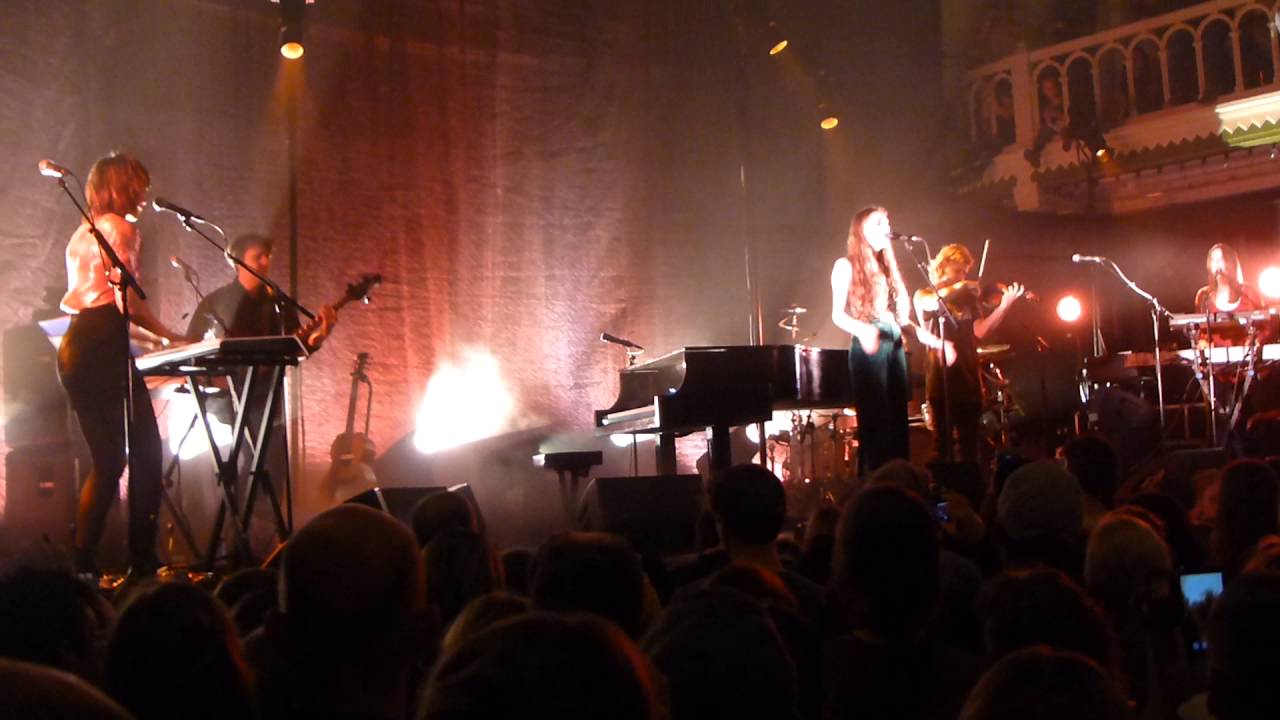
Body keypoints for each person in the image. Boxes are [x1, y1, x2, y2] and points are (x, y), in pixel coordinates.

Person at [57, 152, 183, 578]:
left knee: (108, 461)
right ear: (120, 188)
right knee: (148, 451)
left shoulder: (82, 233)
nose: (144, 196)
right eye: (138, 186)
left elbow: (106, 311)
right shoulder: (120, 229)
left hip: (77, 348)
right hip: (101, 347)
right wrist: (172, 337)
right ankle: (143, 563)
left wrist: (162, 338)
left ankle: (82, 564)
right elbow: (125, 304)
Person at [185, 232, 336, 556]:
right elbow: (190, 346)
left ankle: (263, 546)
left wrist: (321, 335)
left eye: (268, 256)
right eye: (258, 257)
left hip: (269, 400)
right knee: (243, 470)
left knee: (273, 471)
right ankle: (235, 546)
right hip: (228, 402)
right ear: (237, 260)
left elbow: (297, 350)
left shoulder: (279, 303)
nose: (266, 262)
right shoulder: (215, 301)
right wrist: (216, 378)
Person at [830, 206, 951, 474]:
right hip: (869, 347)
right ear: (861, 230)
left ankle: (899, 481)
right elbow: (837, 315)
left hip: (895, 345)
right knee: (875, 423)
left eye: (887, 221)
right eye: (878, 222)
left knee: (898, 421)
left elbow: (903, 321)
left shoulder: (888, 270)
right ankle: (874, 484)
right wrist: (863, 330)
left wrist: (936, 341)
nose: (886, 226)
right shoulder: (845, 265)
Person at [912, 244, 1024, 462]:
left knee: (970, 445)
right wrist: (962, 285)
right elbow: (933, 301)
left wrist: (1004, 307)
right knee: (942, 445)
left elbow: (980, 330)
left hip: (969, 377)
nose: (962, 276)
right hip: (941, 379)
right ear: (943, 267)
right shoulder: (923, 294)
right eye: (958, 270)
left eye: (965, 271)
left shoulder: (968, 300)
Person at [1194, 243, 1263, 315]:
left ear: (1230, 262)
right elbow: (1199, 323)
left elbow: (1265, 320)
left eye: (1220, 258)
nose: (1216, 263)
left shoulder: (1248, 292)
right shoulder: (1203, 295)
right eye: (1213, 259)